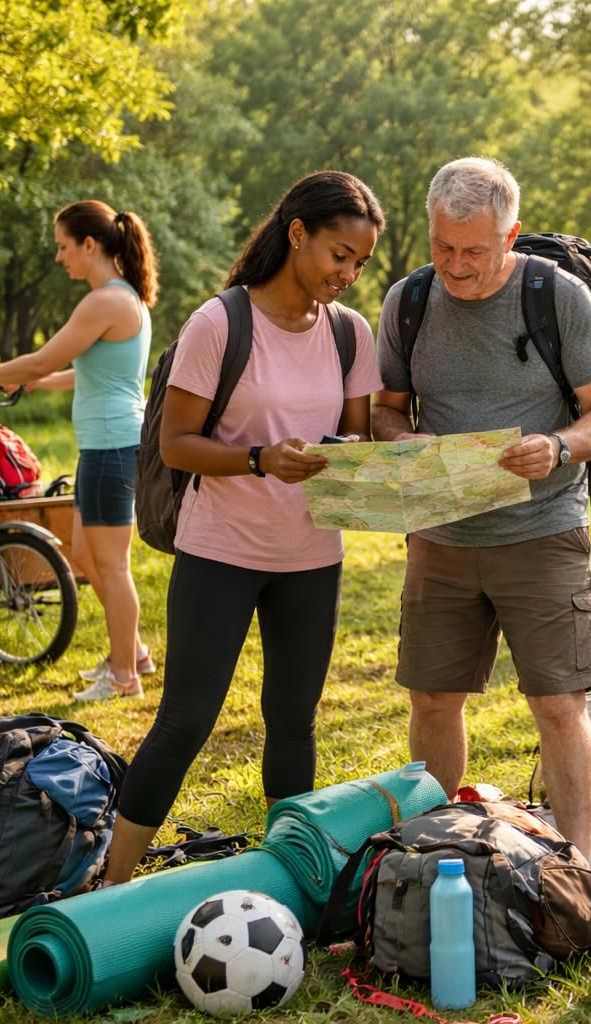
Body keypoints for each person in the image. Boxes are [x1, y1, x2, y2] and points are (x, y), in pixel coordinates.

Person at [101, 171, 385, 884]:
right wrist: (260, 459)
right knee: (187, 719)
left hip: (312, 554)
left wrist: (385, 460)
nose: (348, 274)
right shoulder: (221, 323)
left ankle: (292, 879)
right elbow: (176, 445)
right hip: (220, 550)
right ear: (297, 234)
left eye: (361, 263)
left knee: (294, 719)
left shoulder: (351, 335)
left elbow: (351, 443)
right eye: (338, 255)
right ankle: (108, 883)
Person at [371, 157, 591, 858]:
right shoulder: (409, 300)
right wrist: (405, 443)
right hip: (441, 536)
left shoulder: (558, 296)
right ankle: (429, 851)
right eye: (442, 247)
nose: (456, 267)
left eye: (474, 252)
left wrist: (559, 445)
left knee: (556, 705)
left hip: (543, 530)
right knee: (432, 699)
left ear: (510, 235)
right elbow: (387, 411)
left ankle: (577, 866)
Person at [0, 200, 158, 700]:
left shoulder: (106, 301)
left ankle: (125, 677)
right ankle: (133, 653)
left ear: (90, 245)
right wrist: (35, 384)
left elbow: (44, 356)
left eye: (63, 247)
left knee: (111, 565)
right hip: (101, 445)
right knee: (85, 556)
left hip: (112, 446)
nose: (59, 257)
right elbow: (84, 371)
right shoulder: (118, 299)